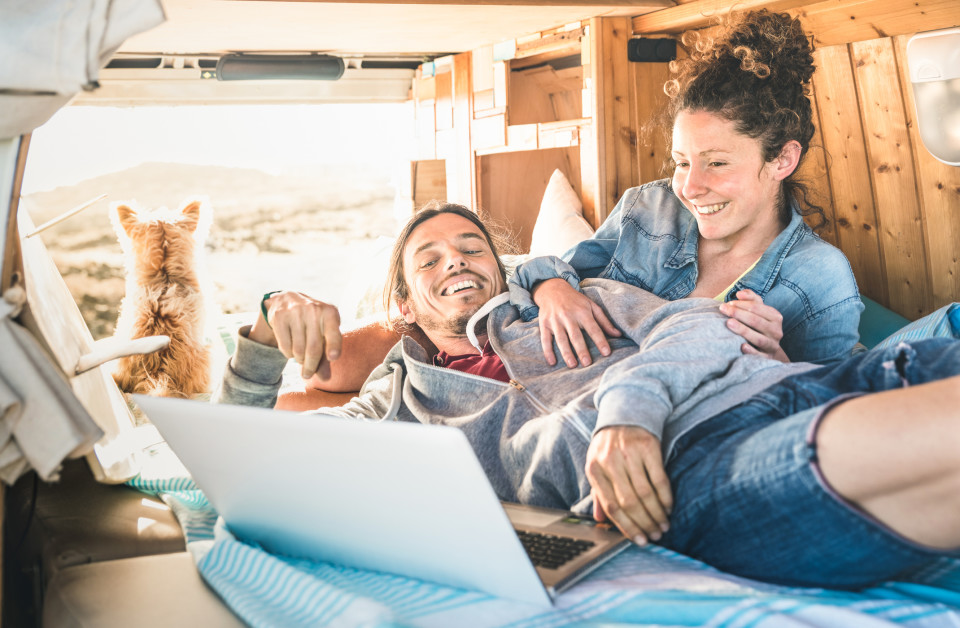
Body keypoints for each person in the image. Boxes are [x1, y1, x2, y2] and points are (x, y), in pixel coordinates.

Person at [215, 201, 960, 590]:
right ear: (403, 302)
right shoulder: (396, 404)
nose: (457, 263)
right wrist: (259, 330)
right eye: (430, 259)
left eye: (473, 248)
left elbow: (696, 326)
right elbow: (245, 474)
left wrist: (626, 413)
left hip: (793, 382)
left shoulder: (572, 299)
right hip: (701, 469)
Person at [511, 9, 863, 371]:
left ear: (783, 160)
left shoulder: (820, 277)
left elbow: (832, 400)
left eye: (717, 163)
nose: (690, 188)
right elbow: (555, 273)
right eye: (681, 163)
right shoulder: (646, 206)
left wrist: (779, 365)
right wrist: (550, 288)